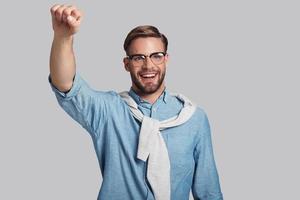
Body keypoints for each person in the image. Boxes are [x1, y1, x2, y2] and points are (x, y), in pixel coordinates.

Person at [49, 4, 223, 200]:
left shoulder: (194, 119)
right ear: (127, 64)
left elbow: (209, 192)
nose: (148, 65)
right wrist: (63, 37)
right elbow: (65, 84)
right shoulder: (108, 111)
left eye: (156, 56)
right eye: (139, 58)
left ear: (166, 59)